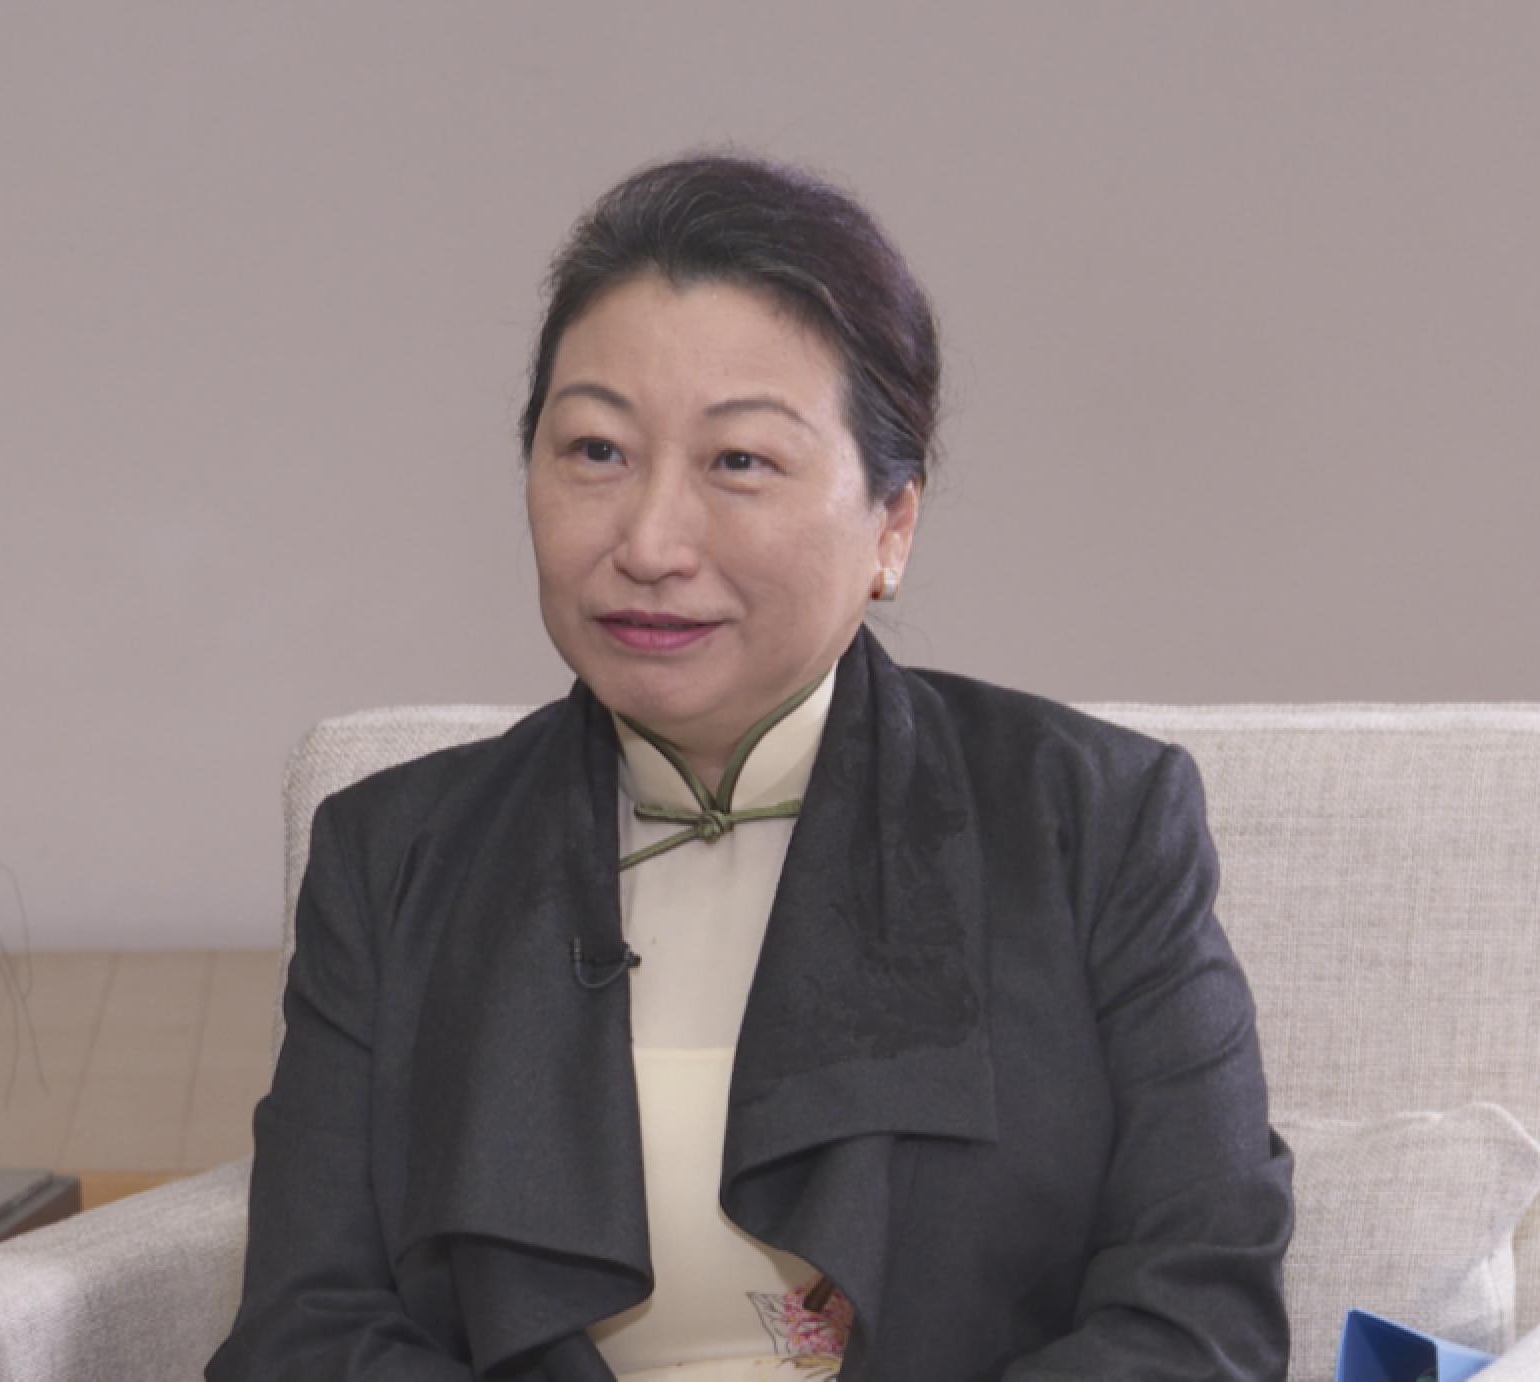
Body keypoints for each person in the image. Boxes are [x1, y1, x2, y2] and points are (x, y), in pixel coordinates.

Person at [205, 153, 1294, 1380]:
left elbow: (1197, 1315)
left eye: (738, 461)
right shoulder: (393, 856)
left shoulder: (1089, 823)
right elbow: (303, 1331)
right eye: (595, 450)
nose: (649, 541)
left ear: (891, 523)